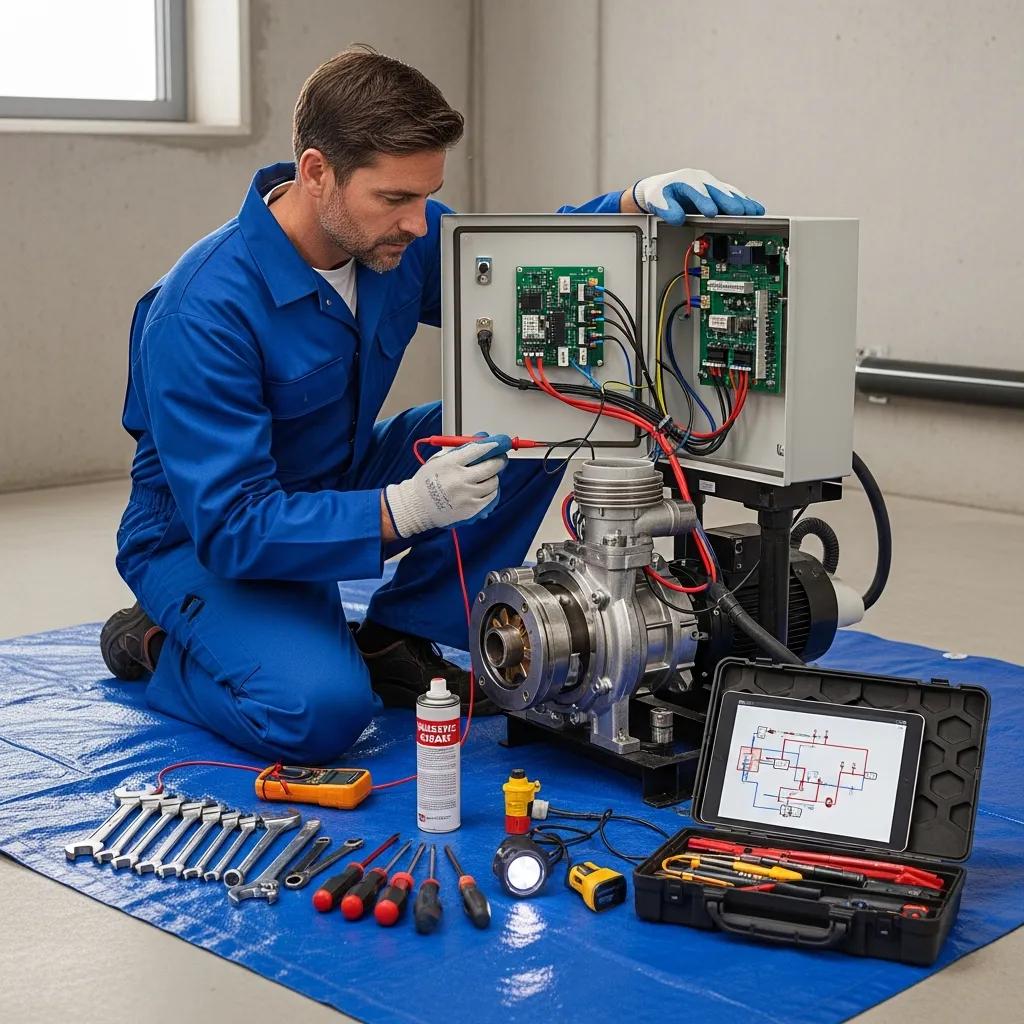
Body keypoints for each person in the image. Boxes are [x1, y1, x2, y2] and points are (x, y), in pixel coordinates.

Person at [101, 46, 763, 763]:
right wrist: (404, 510)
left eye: (427, 196)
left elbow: (525, 273)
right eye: (396, 199)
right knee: (318, 714)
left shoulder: (391, 236)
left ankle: (400, 634)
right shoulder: (201, 312)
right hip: (204, 539)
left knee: (535, 415)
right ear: (317, 172)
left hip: (335, 476)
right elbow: (232, 524)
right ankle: (158, 643)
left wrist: (631, 203)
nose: (420, 224)